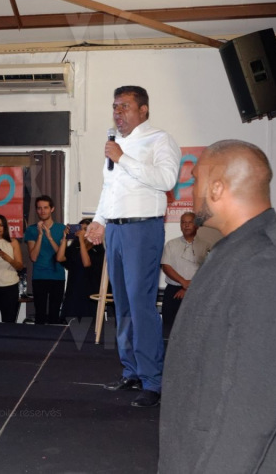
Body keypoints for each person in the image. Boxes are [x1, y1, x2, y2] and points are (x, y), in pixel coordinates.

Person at [159, 140, 276, 473]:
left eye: (195, 179)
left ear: (217, 188)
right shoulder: (241, 250)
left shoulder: (268, 265)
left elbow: (251, 409)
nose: (190, 189)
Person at [86, 85, 181, 408]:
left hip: (143, 228)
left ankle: (154, 381)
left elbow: (167, 180)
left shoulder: (159, 140)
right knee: (123, 306)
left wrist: (123, 158)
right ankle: (132, 372)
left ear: (143, 110)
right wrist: (99, 220)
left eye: (124, 106)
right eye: (115, 106)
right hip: (115, 229)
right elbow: (109, 188)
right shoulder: (116, 145)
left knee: (141, 306)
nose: (118, 112)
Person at [160, 211, 211, 336]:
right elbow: (166, 266)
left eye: (190, 222)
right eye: (183, 222)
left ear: (197, 225)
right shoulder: (171, 244)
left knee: (194, 330)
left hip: (197, 291)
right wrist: (184, 282)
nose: (186, 225)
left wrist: (188, 287)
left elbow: (208, 270)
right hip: (173, 292)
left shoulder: (206, 246)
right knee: (169, 329)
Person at [24, 195, 66, 324]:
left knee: (54, 314)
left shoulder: (61, 228)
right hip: (39, 276)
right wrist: (41, 236)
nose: (42, 211)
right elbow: (33, 257)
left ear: (52, 209)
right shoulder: (31, 230)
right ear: (36, 210)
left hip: (57, 275)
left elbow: (61, 256)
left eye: (45, 208)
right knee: (40, 314)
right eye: (39, 208)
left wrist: (50, 237)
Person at [56, 218, 105, 320]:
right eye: (81, 229)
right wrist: (65, 238)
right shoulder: (74, 248)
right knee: (69, 324)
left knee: (88, 325)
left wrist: (82, 242)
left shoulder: (98, 248)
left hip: (90, 292)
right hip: (73, 291)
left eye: (86, 229)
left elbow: (86, 263)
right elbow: (60, 258)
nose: (82, 232)